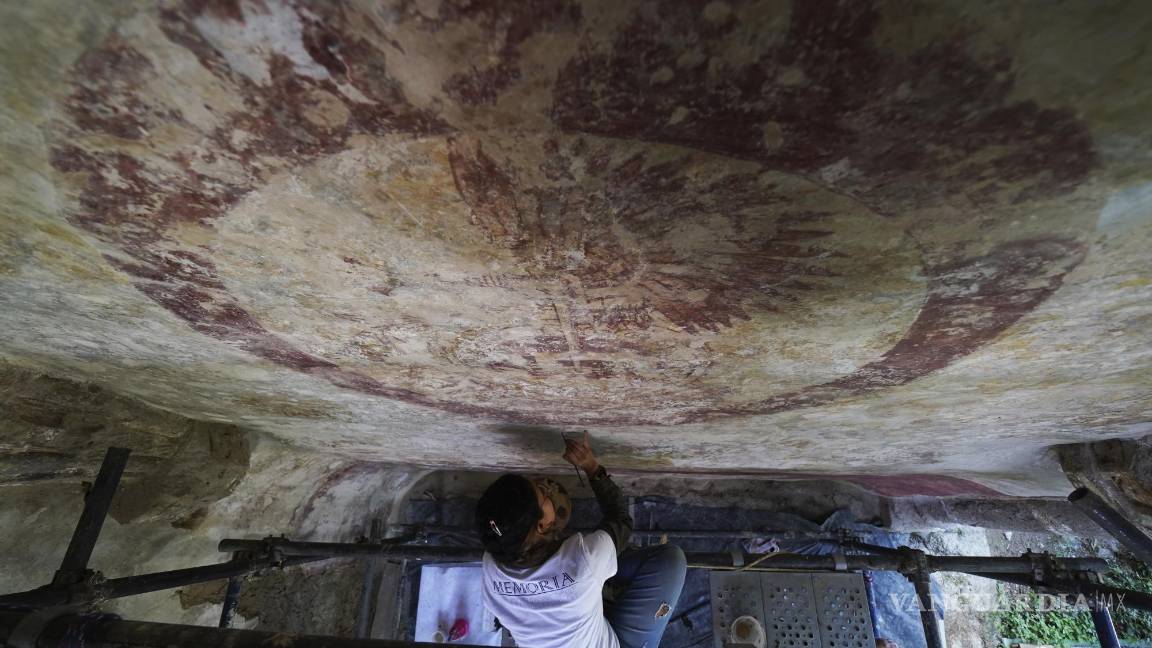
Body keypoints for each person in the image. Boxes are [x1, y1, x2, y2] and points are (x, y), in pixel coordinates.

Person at [476, 432, 687, 648]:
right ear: (541, 526)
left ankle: (602, 585)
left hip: (581, 601)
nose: (546, 489)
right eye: (543, 493)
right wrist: (592, 468)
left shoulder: (494, 562)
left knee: (597, 564)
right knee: (670, 560)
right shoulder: (581, 560)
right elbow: (620, 519)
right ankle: (605, 585)